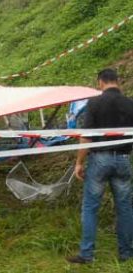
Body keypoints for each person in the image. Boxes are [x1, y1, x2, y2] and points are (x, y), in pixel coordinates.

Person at [67, 69, 133, 264]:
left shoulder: (94, 103)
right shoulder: (129, 104)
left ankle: (87, 254)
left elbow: (86, 136)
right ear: (117, 82)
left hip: (99, 160)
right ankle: (126, 253)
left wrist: (79, 163)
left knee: (90, 207)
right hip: (123, 159)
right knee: (125, 208)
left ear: (100, 82)